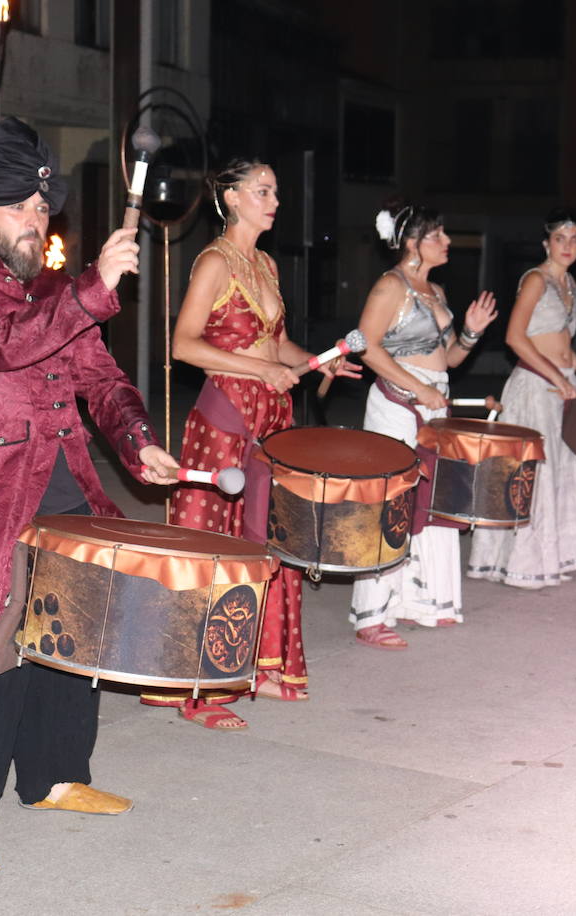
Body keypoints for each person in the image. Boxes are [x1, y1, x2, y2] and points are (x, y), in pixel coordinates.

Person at [0, 118, 180, 877]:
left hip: (66, 488)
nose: (36, 222)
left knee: (71, 642)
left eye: (41, 209)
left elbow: (101, 380)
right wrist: (92, 288)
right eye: (20, 209)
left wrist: (137, 441)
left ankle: (55, 778)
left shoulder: (56, 291)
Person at [149, 158, 358, 727]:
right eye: (262, 191)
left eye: (275, 190)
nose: (275, 201)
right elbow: (183, 345)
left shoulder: (264, 263)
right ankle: (201, 690)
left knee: (269, 541)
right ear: (233, 198)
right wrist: (258, 373)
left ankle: (259, 666)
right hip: (226, 421)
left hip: (271, 417)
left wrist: (319, 365)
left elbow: (278, 344)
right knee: (217, 551)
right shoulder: (215, 262)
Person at [349, 198, 498, 645]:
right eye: (438, 235)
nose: (447, 241)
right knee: (391, 501)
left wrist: (471, 331)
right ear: (412, 242)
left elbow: (449, 358)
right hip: (397, 406)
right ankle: (372, 615)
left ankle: (421, 600)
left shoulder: (437, 292)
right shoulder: (390, 286)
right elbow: (363, 345)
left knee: (431, 500)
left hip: (433, 401)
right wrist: (416, 388)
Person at [468, 208, 576, 589]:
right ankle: (522, 563)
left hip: (561, 385)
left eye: (575, 240)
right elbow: (515, 337)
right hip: (535, 386)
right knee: (531, 473)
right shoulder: (535, 280)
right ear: (546, 243)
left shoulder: (568, 283)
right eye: (560, 239)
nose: (568, 246)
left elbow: (563, 347)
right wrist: (556, 375)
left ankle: (550, 555)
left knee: (558, 471)